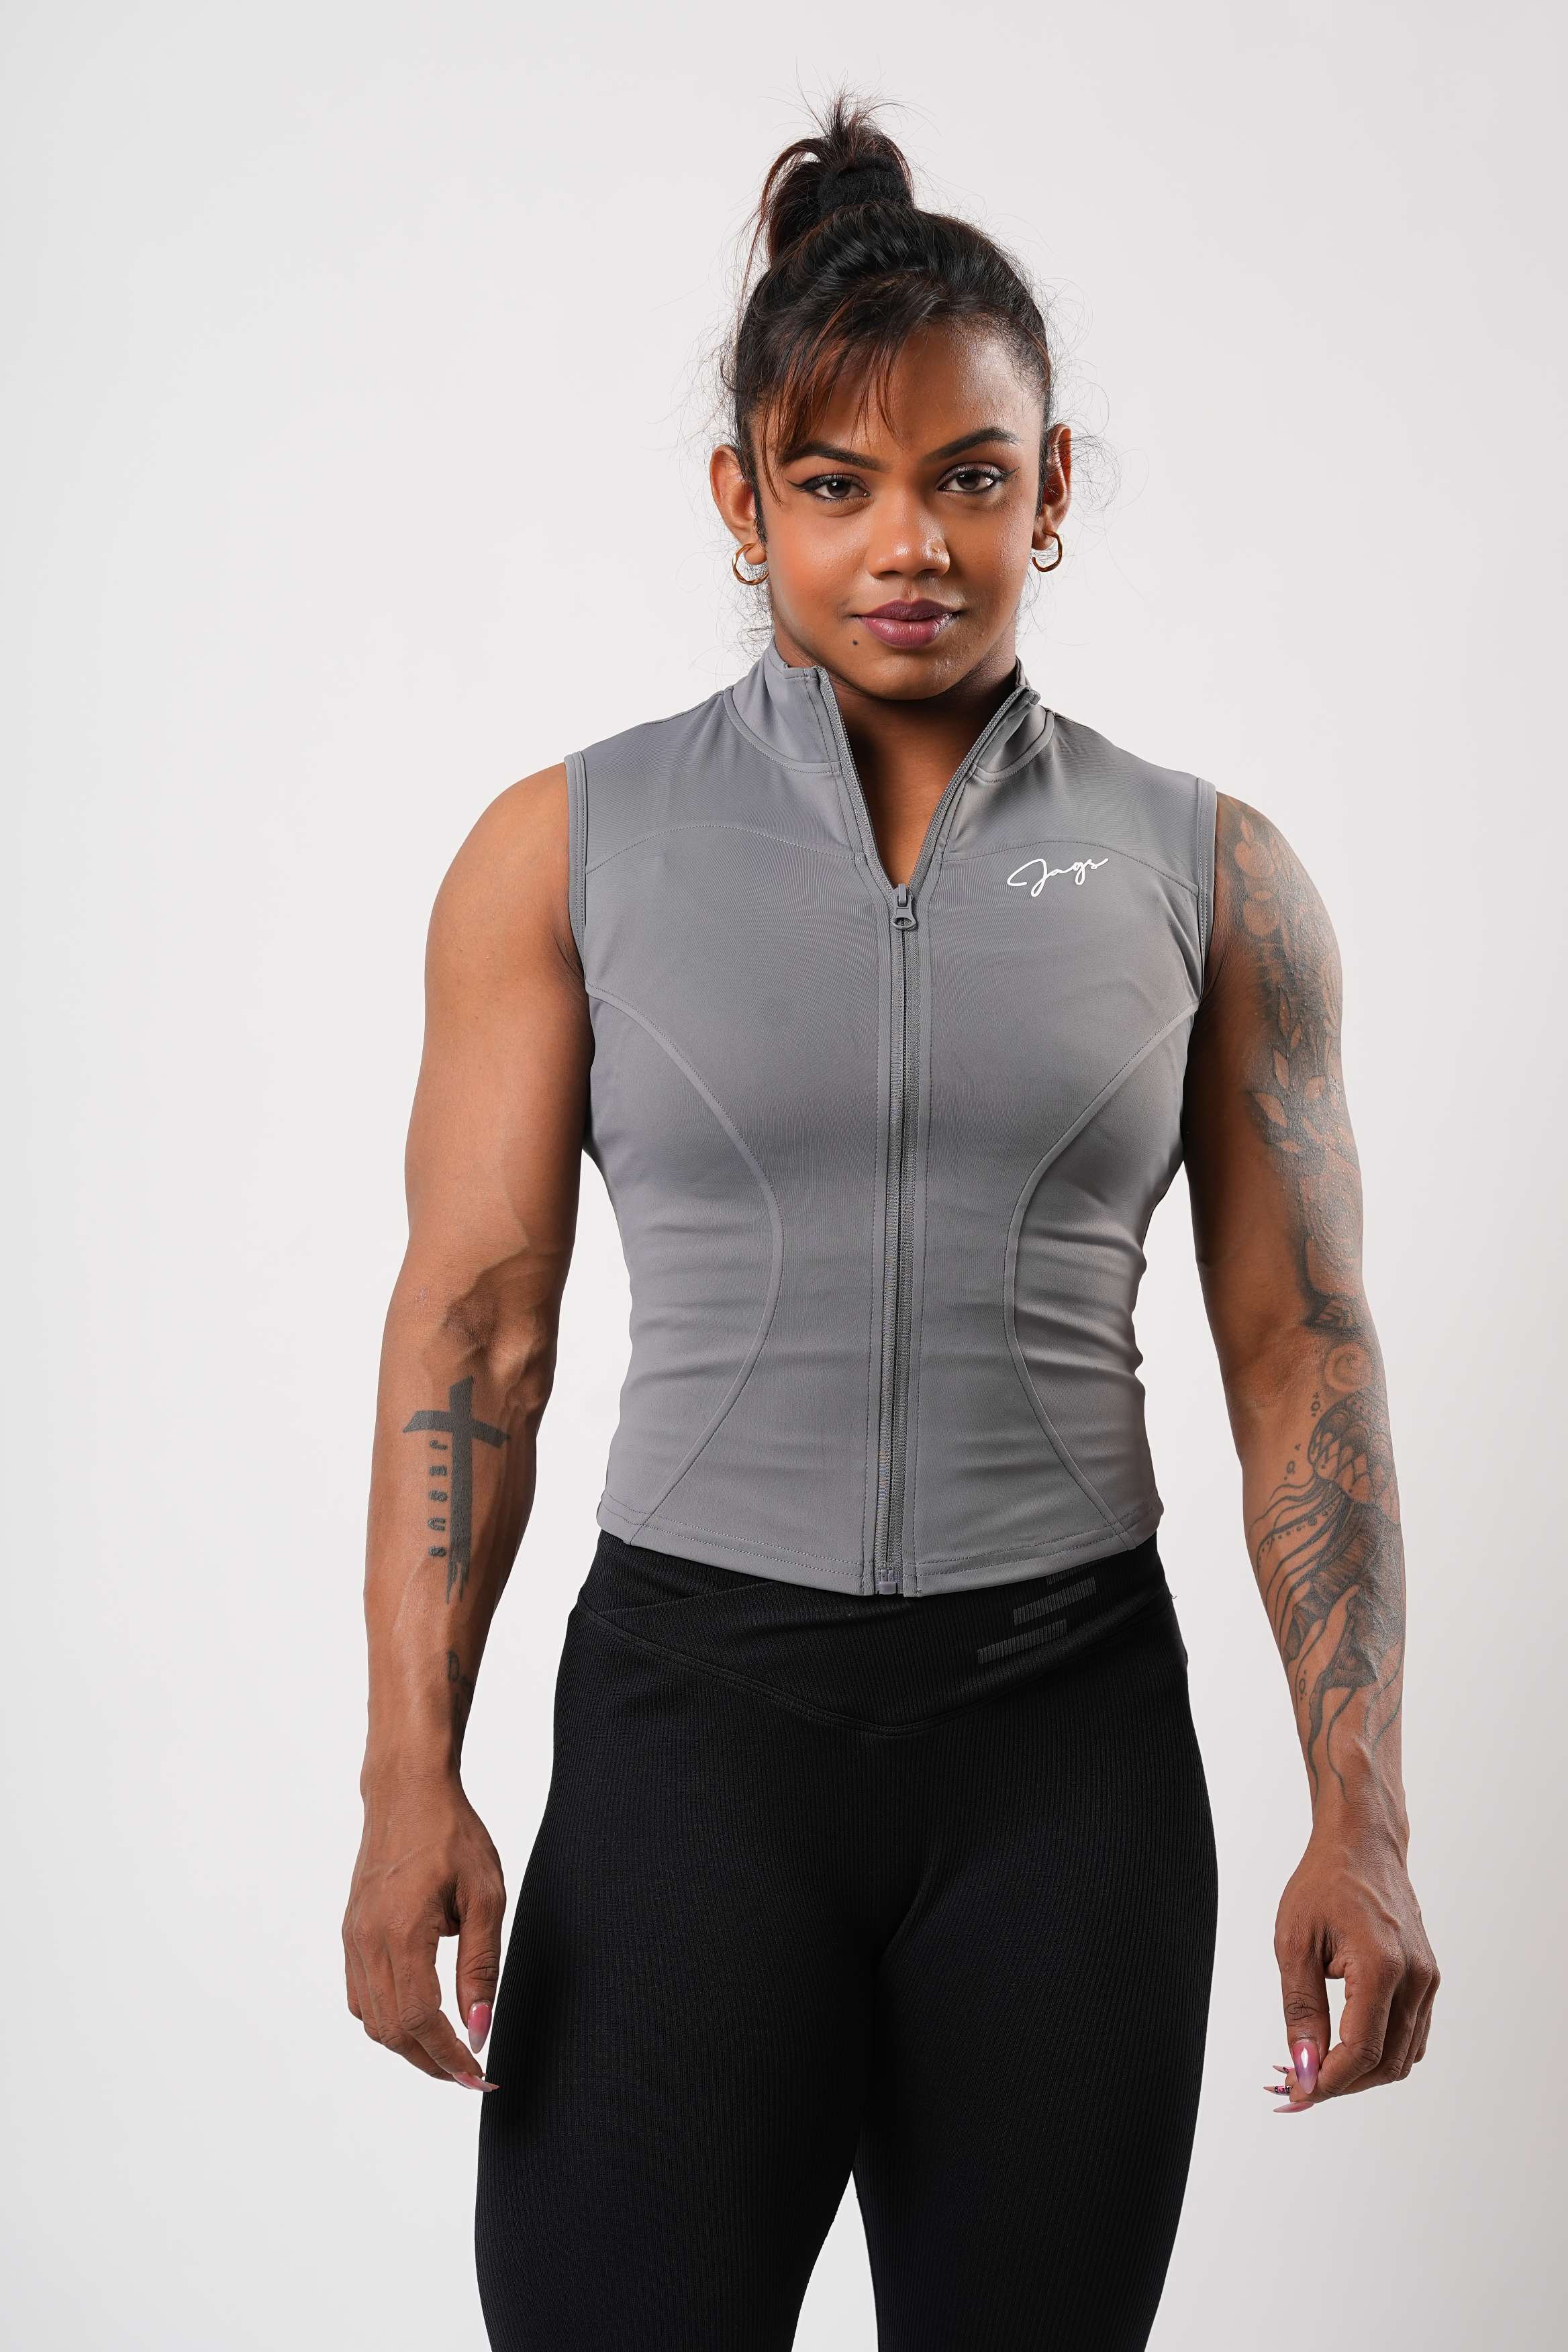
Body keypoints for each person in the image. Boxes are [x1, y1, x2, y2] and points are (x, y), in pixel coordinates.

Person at [342, 89, 1438, 2351]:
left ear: (1055, 486)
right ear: (742, 502)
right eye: (835, 484)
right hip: (692, 1743)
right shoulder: (562, 852)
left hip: (1065, 1763)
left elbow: (1299, 1352)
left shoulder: (1210, 875)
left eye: (969, 475)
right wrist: (405, 1777)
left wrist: (1367, 1810)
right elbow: (476, 1334)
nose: (909, 543)